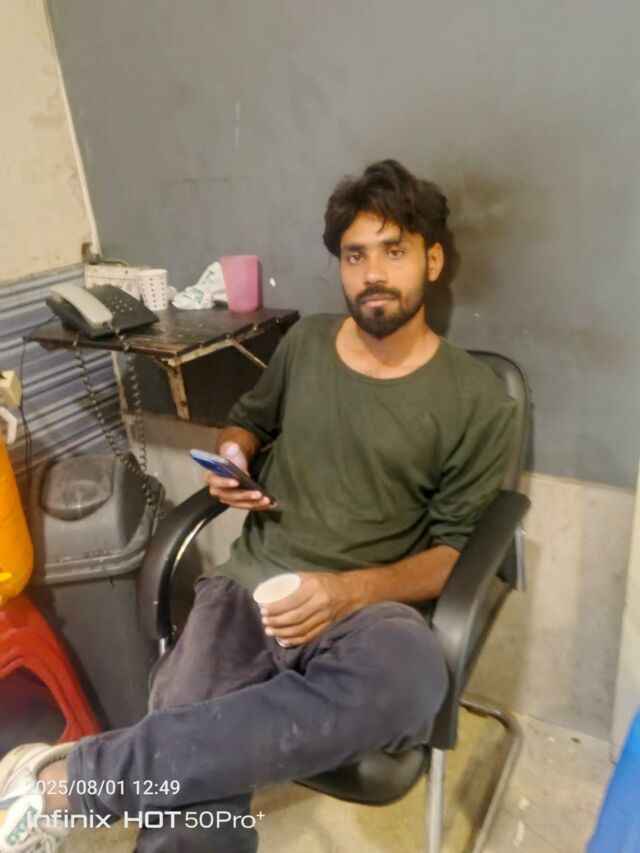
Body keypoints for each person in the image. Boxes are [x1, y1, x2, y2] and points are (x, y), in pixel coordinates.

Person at [0, 159, 517, 852]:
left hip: (367, 609)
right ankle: (74, 785)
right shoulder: (305, 344)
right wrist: (234, 456)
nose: (372, 274)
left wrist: (345, 592)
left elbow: (452, 554)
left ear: (432, 259)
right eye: (355, 255)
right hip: (252, 586)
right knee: (187, 731)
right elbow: (246, 420)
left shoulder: (476, 399)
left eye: (393, 251)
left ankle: (65, 781)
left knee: (413, 675)